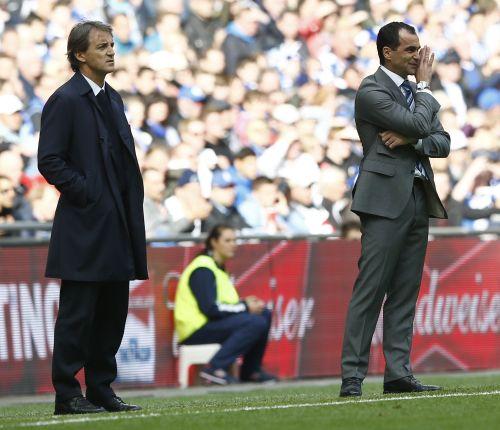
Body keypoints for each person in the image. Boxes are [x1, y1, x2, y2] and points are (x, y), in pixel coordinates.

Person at [37, 21, 147, 415]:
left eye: (113, 45)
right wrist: (89, 192)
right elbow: (49, 160)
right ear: (80, 54)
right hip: (85, 226)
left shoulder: (112, 98)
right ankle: (67, 393)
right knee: (77, 315)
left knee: (112, 314)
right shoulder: (65, 100)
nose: (112, 51)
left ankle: (101, 387)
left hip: (118, 225)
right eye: (102, 46)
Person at [339, 22, 450, 397]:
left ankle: (398, 373)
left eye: (418, 48)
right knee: (371, 289)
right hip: (384, 199)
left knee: (405, 290)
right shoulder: (372, 90)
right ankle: (352, 377)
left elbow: (442, 141)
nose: (418, 56)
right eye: (410, 50)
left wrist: (411, 140)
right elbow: (423, 123)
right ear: (387, 52)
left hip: (418, 196)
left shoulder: (412, 94)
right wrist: (423, 91)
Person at [174, 224, 277, 385]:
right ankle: (215, 368)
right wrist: (244, 307)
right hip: (195, 331)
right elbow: (210, 309)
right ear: (214, 242)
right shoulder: (203, 268)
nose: (233, 244)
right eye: (227, 240)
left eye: (235, 240)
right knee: (255, 321)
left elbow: (223, 305)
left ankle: (251, 371)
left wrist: (245, 304)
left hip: (211, 324)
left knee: (263, 313)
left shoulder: (218, 268)